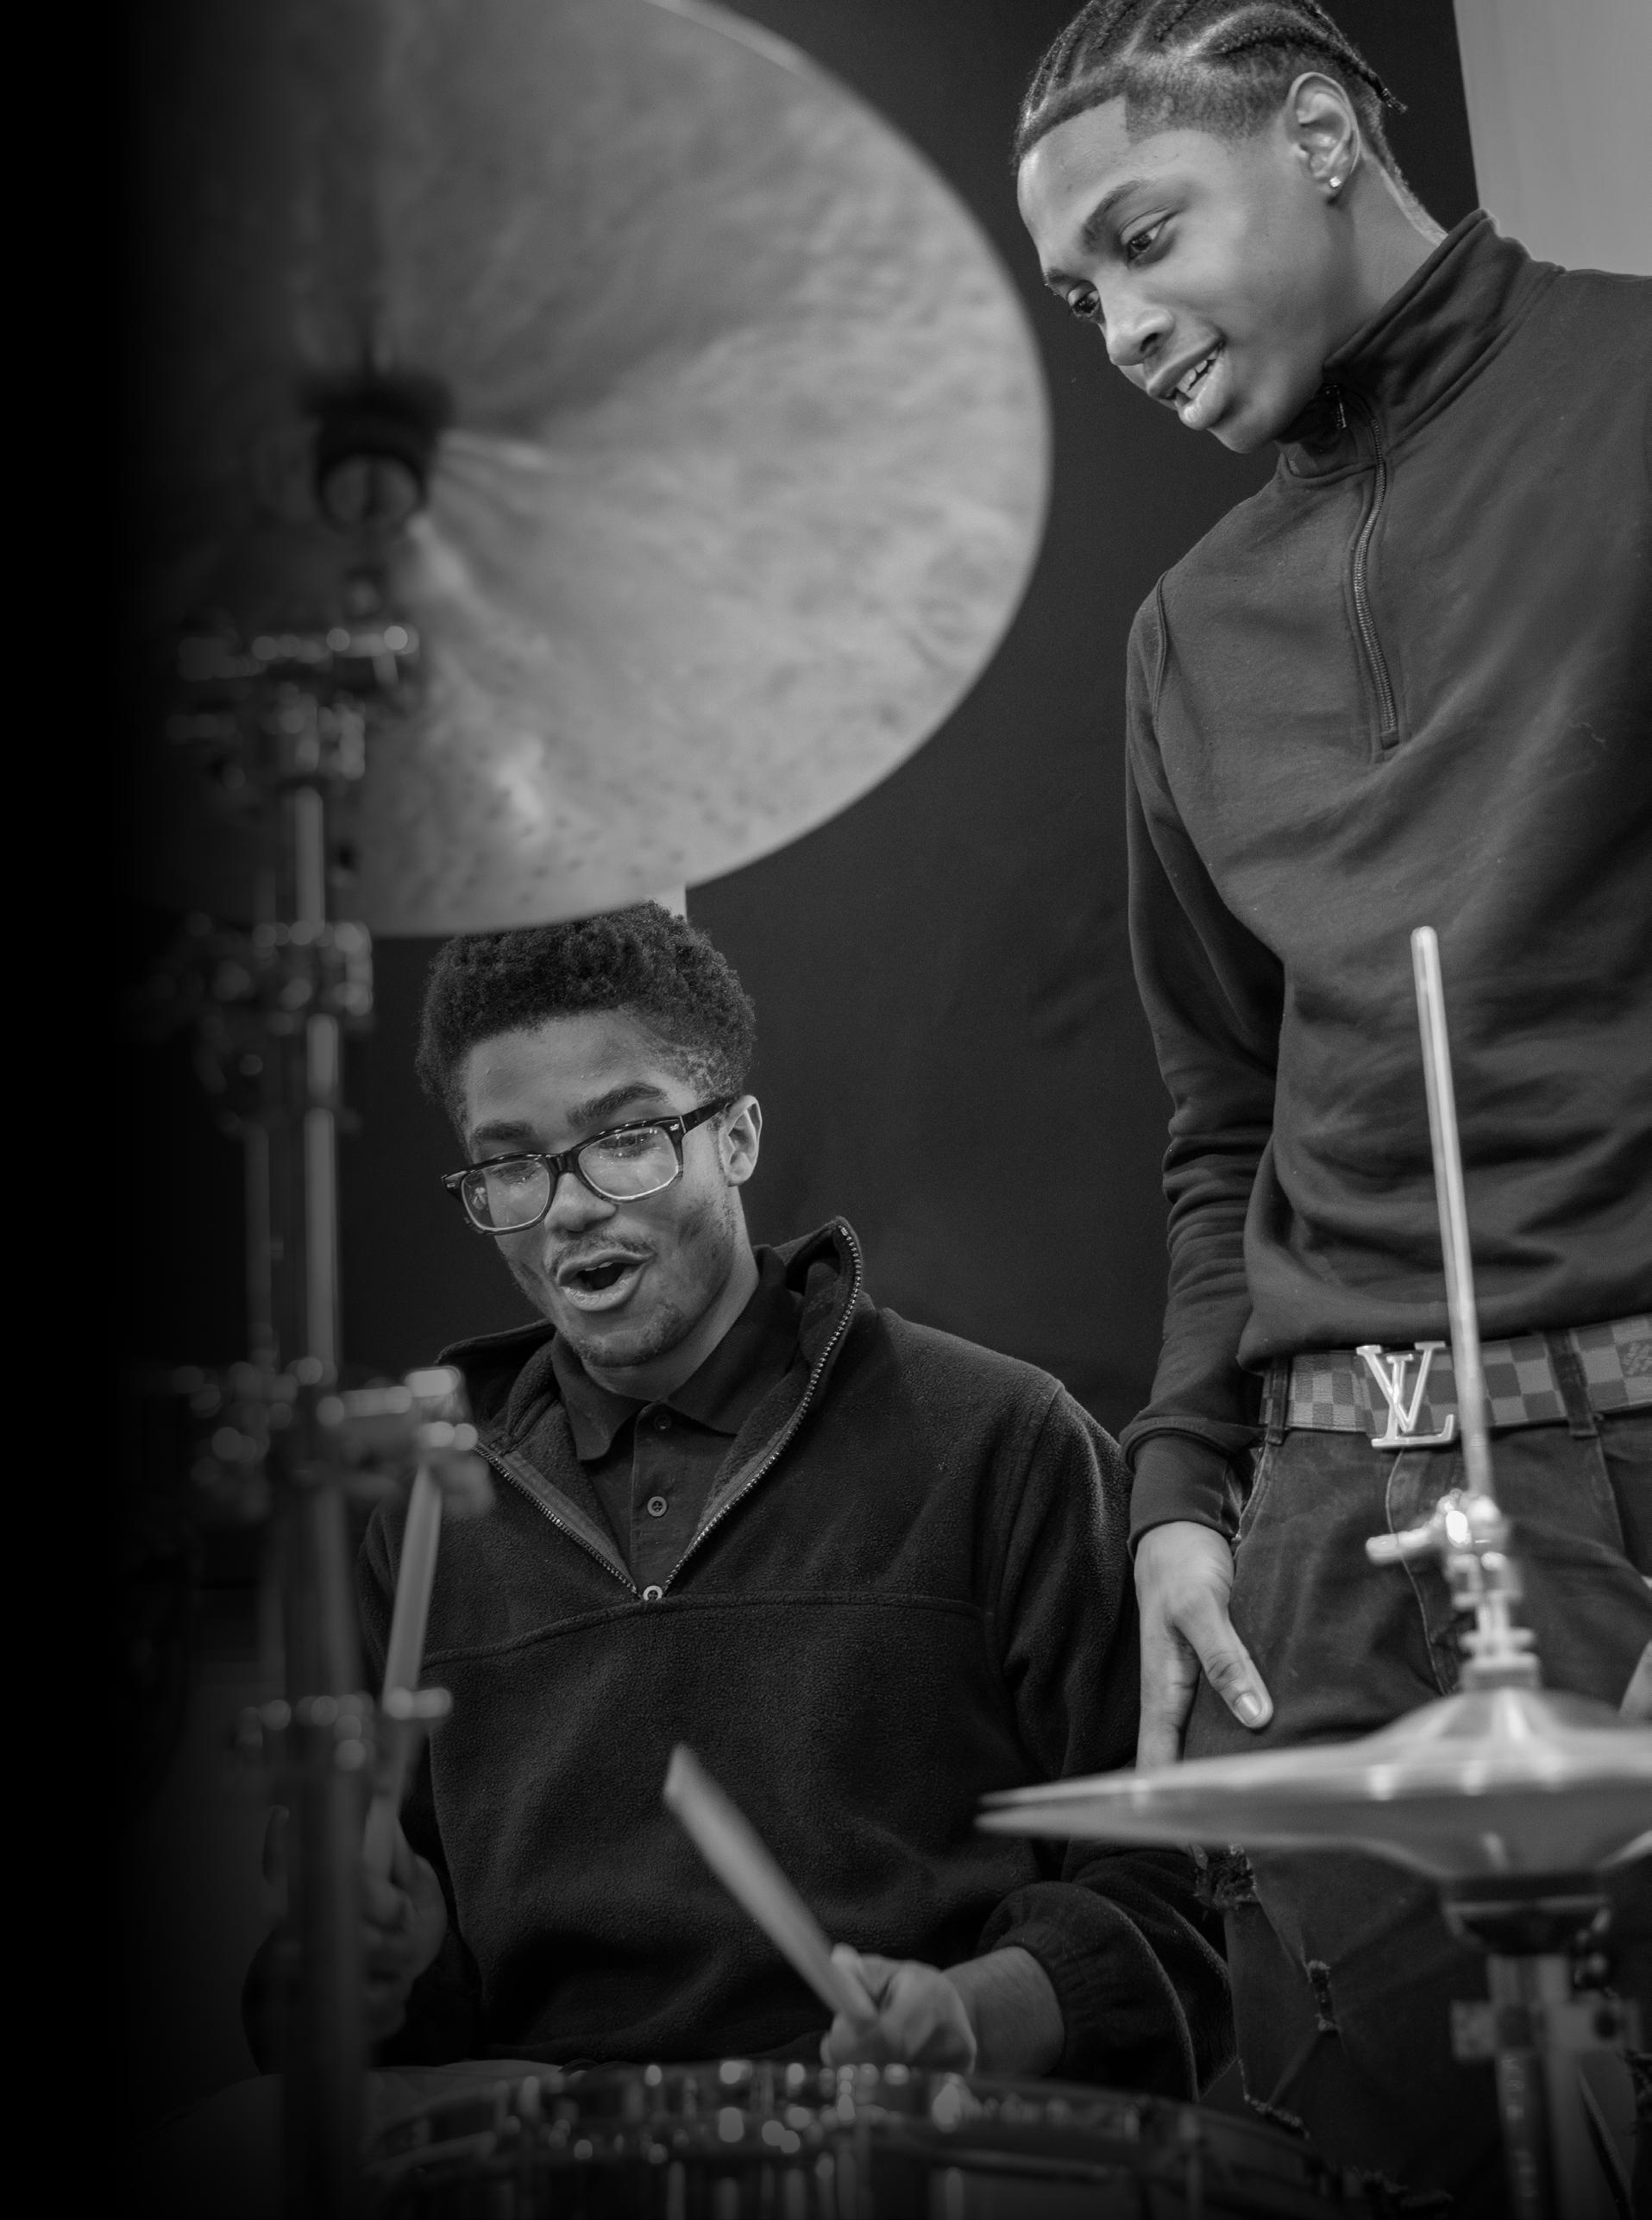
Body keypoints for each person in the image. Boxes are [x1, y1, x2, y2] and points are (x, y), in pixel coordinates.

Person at [1012, 2, 1652, 2211]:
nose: (1118, 327)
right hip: (1319, 1522)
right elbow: (1222, 1119)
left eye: (1140, 238)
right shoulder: (1184, 632)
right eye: (1076, 296)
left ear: (1313, 130)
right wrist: (1182, 1489)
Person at [249, 902, 1228, 2095]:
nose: (567, 1206)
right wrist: (381, 1976)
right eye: (509, 1164)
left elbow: (1179, 1895)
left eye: (625, 1138)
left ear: (740, 1136)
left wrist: (981, 2013)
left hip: (904, 2146)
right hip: (545, 2154)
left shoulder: (1002, 1443)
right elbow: (377, 2014)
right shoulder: (426, 1523)